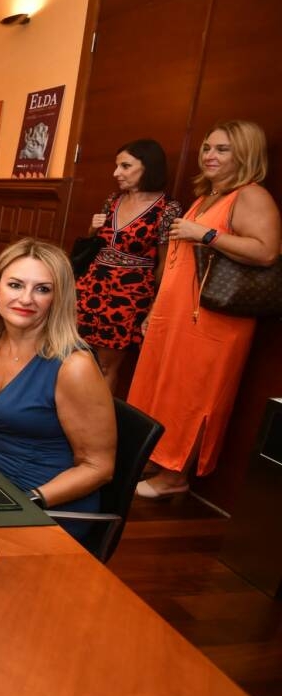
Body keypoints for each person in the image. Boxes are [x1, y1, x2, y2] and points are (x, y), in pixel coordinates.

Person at [129, 120, 282, 498]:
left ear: (245, 154)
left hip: (213, 319)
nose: (210, 155)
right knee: (162, 388)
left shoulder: (251, 196)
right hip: (176, 313)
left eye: (222, 149)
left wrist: (207, 234)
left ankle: (175, 477)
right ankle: (156, 459)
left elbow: (266, 251)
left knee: (194, 395)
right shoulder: (207, 195)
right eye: (207, 148)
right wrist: (155, 309)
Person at [0, 239, 115, 528]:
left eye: (42, 289)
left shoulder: (74, 366)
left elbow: (98, 467)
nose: (26, 299)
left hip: (47, 507)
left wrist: (25, 502)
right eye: (15, 285)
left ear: (58, 298)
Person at [75, 139, 183, 391]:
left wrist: (155, 305)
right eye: (117, 166)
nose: (116, 173)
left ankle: (97, 415)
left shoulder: (167, 209)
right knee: (75, 356)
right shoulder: (113, 200)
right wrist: (92, 228)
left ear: (148, 167)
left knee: (105, 366)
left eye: (125, 166)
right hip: (90, 286)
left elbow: (166, 263)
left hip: (127, 296)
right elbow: (94, 243)